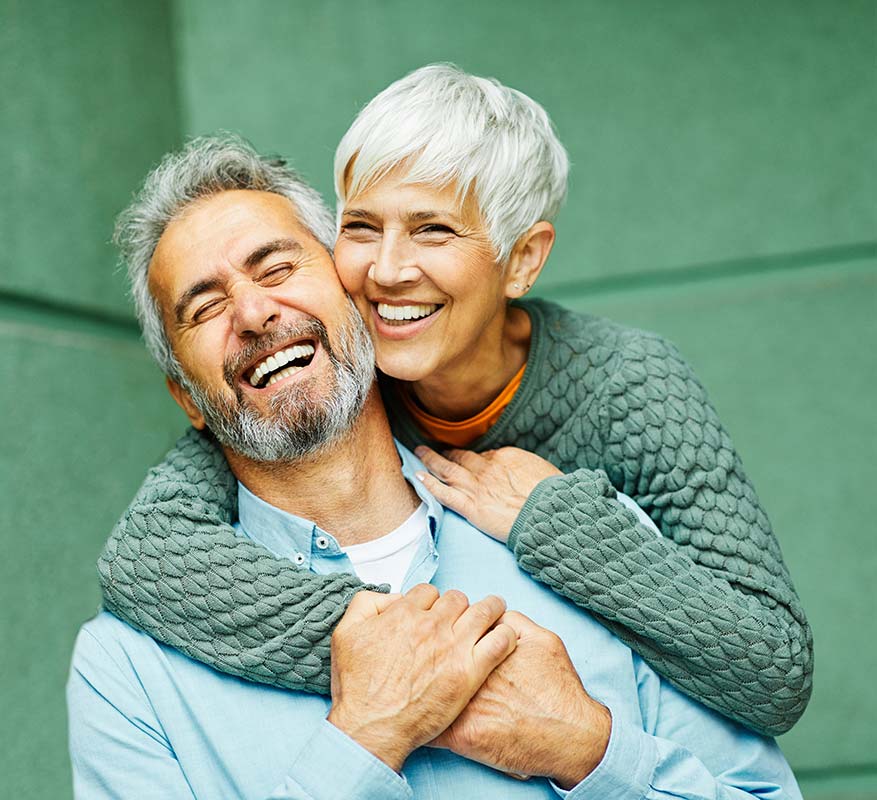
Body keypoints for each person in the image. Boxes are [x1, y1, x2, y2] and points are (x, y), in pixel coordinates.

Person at [69, 139, 802, 798]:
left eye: (280, 267)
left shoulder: (600, 547)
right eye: (205, 306)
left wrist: (590, 751)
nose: (256, 313)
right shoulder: (125, 673)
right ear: (186, 398)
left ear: (359, 299)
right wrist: (362, 743)